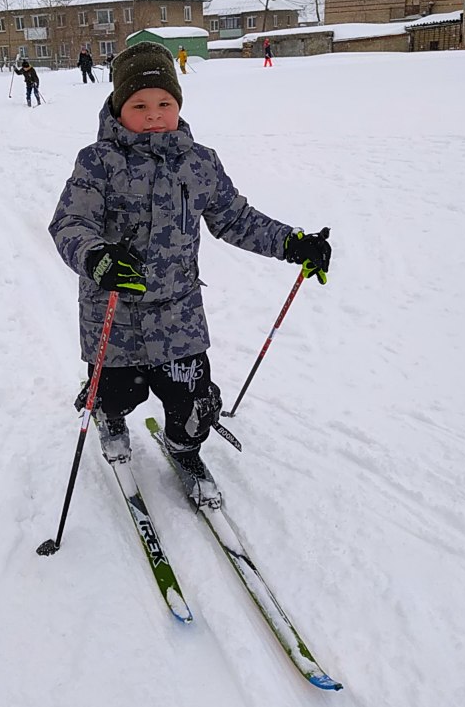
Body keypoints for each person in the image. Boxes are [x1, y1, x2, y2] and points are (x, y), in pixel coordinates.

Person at [49, 42, 331, 509]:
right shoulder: (97, 162)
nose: (154, 116)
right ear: (118, 109)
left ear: (179, 105)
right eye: (139, 106)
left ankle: (184, 449)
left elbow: (236, 219)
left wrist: (290, 243)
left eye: (165, 103)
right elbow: (69, 223)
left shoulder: (200, 163)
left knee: (193, 401)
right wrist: (96, 256)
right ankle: (109, 417)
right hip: (113, 314)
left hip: (178, 314)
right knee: (115, 394)